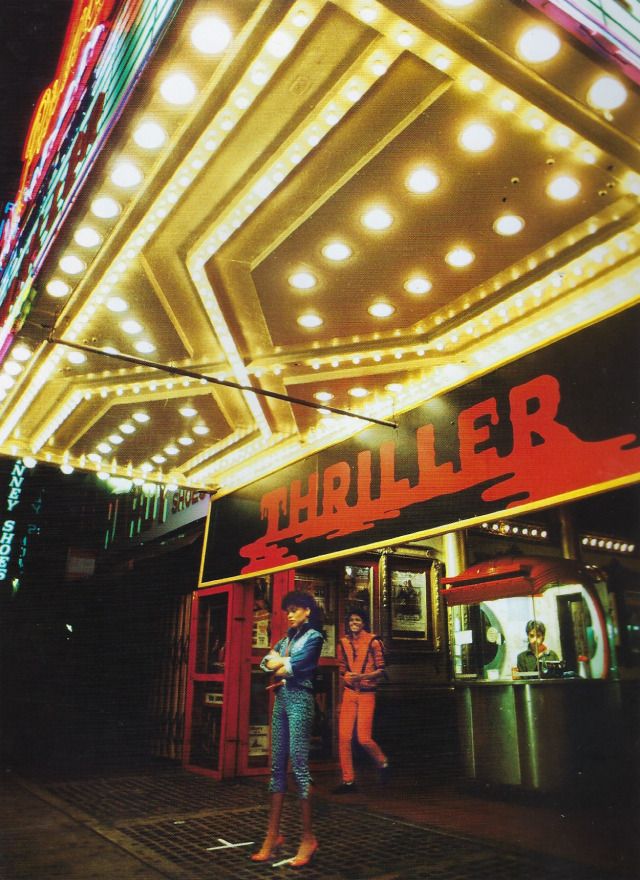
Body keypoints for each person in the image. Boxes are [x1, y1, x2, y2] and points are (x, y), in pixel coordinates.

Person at [251, 591, 324, 868]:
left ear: (307, 611)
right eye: (287, 610)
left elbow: (298, 667)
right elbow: (264, 664)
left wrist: (281, 663)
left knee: (300, 766)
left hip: (300, 701)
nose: (290, 614)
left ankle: (308, 837)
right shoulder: (286, 639)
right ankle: (273, 835)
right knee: (276, 766)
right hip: (281, 701)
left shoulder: (314, 637)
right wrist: (281, 664)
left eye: (295, 609)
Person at [333, 609, 388, 794]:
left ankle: (383, 762)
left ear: (363, 623)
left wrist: (362, 676)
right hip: (349, 694)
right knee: (344, 738)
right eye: (351, 620)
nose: (353, 623)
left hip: (367, 693)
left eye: (357, 620)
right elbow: (342, 670)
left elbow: (381, 670)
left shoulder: (374, 641)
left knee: (363, 738)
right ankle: (348, 781)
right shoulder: (343, 643)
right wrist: (341, 697)